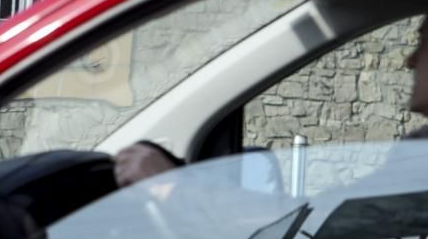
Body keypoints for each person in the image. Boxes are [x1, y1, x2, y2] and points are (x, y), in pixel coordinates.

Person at [114, 15, 428, 187]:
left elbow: (348, 224)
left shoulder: (420, 157)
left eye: (422, 44)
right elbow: (331, 219)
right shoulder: (420, 146)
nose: (409, 60)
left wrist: (174, 190)